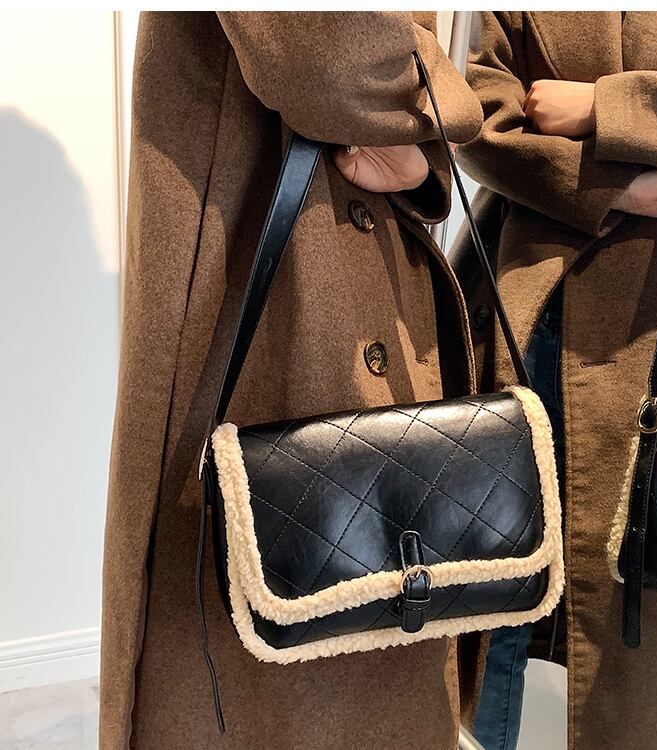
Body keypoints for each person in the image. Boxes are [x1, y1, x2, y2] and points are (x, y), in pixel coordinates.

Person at [102, 11, 488, 750]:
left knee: (381, 619)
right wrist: (445, 105)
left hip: (374, 262)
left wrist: (420, 160)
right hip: (255, 268)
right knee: (255, 651)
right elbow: (328, 55)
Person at [452, 10, 657, 750]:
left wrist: (608, 108)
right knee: (493, 601)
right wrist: (613, 189)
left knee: (648, 627)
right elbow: (477, 110)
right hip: (527, 308)